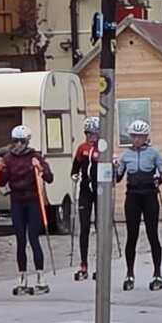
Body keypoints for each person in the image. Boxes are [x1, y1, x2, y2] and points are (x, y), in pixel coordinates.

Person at [0, 125, 54, 292]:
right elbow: (1, 182)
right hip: (17, 200)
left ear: (27, 142)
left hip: (33, 200)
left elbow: (50, 178)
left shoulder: (35, 156)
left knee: (34, 238)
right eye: (16, 141)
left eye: (22, 141)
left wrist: (40, 168)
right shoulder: (8, 158)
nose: (18, 145)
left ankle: (41, 277)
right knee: (20, 240)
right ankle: (22, 277)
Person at [115, 118, 162, 291]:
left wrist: (158, 179)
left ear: (146, 137)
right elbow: (118, 177)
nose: (137, 139)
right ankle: (129, 273)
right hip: (132, 196)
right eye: (134, 136)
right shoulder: (126, 155)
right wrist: (113, 168)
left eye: (141, 136)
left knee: (153, 234)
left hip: (149, 195)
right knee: (132, 236)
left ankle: (157, 273)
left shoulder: (153, 153)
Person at [70, 116, 101, 281]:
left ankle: (100, 264)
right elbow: (75, 167)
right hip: (85, 191)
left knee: (100, 227)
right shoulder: (82, 148)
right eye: (88, 134)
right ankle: (83, 264)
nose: (90, 137)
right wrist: (74, 175)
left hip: (99, 190)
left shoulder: (102, 148)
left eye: (93, 134)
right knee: (84, 227)